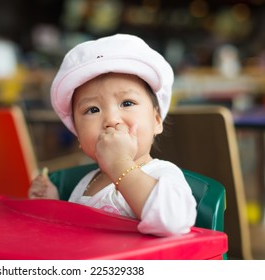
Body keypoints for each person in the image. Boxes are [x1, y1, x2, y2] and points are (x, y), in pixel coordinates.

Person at [28, 34, 197, 237]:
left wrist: (119, 164)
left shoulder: (162, 174)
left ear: (156, 121)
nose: (111, 119)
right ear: (78, 136)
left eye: (127, 103)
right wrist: (52, 205)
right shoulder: (85, 183)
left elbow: (173, 222)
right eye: (92, 110)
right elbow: (71, 239)